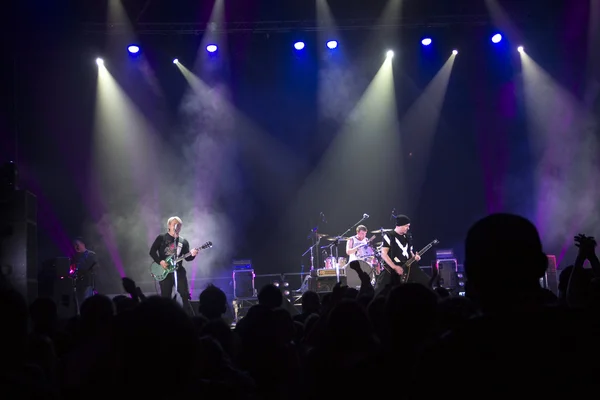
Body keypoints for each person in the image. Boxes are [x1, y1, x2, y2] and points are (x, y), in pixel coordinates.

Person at [149, 216, 198, 314]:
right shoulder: (161, 238)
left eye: (179, 225)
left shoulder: (183, 242)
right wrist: (160, 262)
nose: (177, 227)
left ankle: (188, 318)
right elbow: (152, 252)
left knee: (185, 295)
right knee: (166, 297)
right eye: (175, 224)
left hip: (179, 272)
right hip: (165, 271)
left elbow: (187, 258)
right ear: (169, 226)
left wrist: (193, 255)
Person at [375, 215, 422, 292]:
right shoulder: (389, 235)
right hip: (391, 268)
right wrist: (395, 267)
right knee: (380, 290)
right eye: (407, 226)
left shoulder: (408, 236)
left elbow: (410, 252)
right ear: (400, 225)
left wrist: (415, 257)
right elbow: (383, 254)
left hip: (407, 267)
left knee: (424, 282)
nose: (408, 228)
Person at [70, 237, 99, 311]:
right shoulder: (76, 256)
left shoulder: (90, 254)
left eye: (77, 244)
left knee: (87, 303)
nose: (75, 247)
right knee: (78, 303)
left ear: (83, 244)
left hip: (87, 283)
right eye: (74, 245)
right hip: (78, 284)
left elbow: (91, 267)